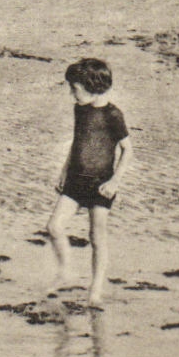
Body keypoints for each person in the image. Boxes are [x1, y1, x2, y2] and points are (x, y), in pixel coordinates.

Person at [46, 58, 132, 307]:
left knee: (97, 237)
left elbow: (128, 150)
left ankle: (95, 291)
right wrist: (64, 170)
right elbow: (77, 142)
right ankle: (65, 272)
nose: (72, 94)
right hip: (75, 179)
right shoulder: (80, 109)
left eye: (75, 89)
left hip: (101, 183)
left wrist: (116, 181)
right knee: (54, 227)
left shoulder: (113, 115)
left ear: (92, 86)